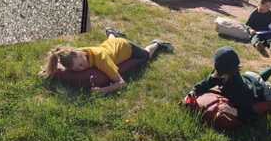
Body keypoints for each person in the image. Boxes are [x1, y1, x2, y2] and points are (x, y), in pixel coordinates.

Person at [188, 45, 271, 124]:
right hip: (250, 76)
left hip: (262, 90)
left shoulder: (237, 90)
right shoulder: (222, 74)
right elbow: (205, 83)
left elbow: (250, 113)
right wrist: (194, 91)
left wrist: (232, 110)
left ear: (219, 69)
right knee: (256, 78)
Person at [40, 28, 175, 94]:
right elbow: (58, 60)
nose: (82, 69)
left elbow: (121, 83)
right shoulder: (75, 54)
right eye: (77, 69)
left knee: (146, 55)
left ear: (81, 54)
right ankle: (112, 33)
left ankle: (157, 43)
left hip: (125, 46)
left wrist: (102, 90)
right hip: (108, 45)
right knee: (109, 43)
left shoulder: (102, 60)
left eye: (81, 64)